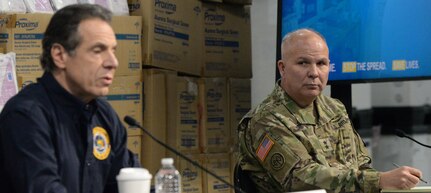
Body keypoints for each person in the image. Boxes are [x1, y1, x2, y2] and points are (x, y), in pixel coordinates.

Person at [237, 28, 423, 193]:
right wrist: (380, 180)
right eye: (303, 63)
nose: (314, 72)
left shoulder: (334, 108)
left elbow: (361, 166)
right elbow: (300, 179)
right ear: (282, 68)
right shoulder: (265, 119)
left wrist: (384, 184)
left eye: (321, 63)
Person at [0, 4, 139, 193]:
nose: (113, 62)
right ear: (60, 55)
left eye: (113, 50)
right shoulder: (26, 115)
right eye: (98, 50)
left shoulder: (105, 116)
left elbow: (128, 183)